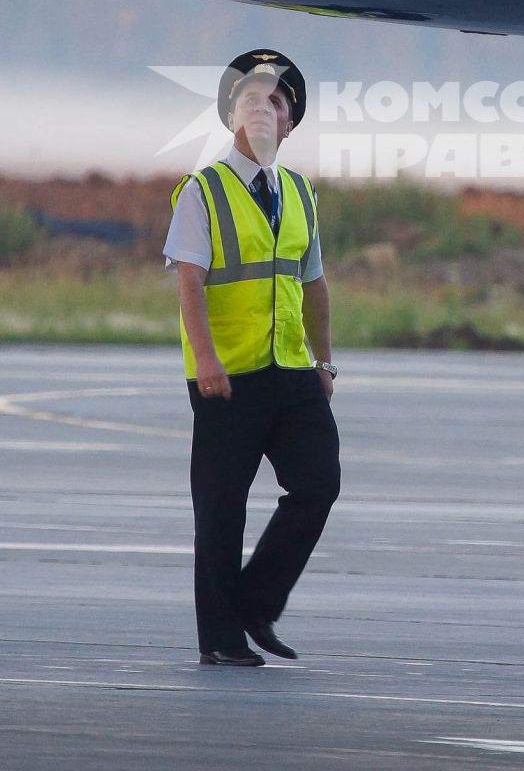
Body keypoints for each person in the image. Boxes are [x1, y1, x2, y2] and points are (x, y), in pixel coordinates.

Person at [163, 48, 339, 667]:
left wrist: (324, 362)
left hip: (291, 372)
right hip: (227, 376)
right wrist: (205, 359)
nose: (268, 108)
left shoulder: (299, 192)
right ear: (233, 114)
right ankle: (221, 639)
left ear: (290, 121)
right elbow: (190, 282)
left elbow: (312, 283)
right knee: (221, 506)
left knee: (319, 482)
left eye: (279, 100)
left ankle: (255, 603)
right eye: (255, 98)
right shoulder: (202, 192)